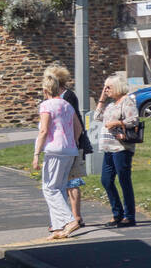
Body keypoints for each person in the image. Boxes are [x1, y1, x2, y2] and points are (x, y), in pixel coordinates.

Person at [32, 69, 84, 239]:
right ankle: (57, 228)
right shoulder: (66, 105)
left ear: (45, 90)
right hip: (69, 150)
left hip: (54, 150)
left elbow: (44, 130)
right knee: (59, 187)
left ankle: (70, 220)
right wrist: (73, 142)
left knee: (49, 188)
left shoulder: (46, 105)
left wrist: (36, 154)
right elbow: (79, 128)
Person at [46, 64, 89, 230]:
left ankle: (75, 217)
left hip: (70, 144)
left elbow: (73, 122)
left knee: (72, 180)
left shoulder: (67, 96)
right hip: (63, 145)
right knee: (60, 183)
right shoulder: (54, 98)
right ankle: (62, 218)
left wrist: (75, 142)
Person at [95, 74, 140, 226]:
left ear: (118, 87)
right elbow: (97, 116)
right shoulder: (111, 104)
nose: (106, 90)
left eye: (109, 87)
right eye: (105, 87)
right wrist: (102, 98)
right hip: (108, 148)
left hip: (121, 147)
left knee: (123, 180)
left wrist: (116, 122)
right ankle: (117, 213)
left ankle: (129, 216)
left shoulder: (126, 101)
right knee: (106, 180)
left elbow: (133, 120)